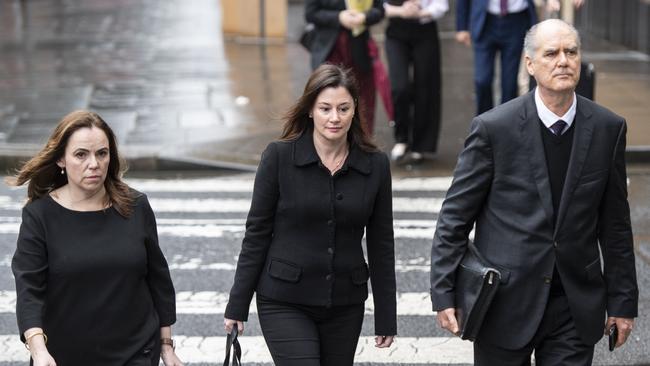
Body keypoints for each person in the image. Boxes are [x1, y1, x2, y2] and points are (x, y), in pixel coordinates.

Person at [430, 19, 638, 365]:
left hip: (574, 304)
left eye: (571, 52)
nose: (563, 61)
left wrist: (622, 302)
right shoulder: (493, 129)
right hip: (503, 301)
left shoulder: (608, 128)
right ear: (530, 63)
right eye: (552, 53)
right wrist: (443, 291)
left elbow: (615, 224)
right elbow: (455, 216)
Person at [224, 64, 397, 366]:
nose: (334, 118)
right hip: (284, 298)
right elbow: (257, 233)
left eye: (343, 108)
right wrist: (237, 304)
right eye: (325, 108)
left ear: (355, 109)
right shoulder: (279, 157)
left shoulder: (375, 165)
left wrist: (386, 316)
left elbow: (382, 244)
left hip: (345, 302)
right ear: (310, 110)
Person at [10, 110, 183, 366]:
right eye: (81, 154)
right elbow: (29, 290)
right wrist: (38, 349)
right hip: (65, 355)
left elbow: (158, 279)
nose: (94, 163)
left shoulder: (135, 206)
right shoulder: (39, 215)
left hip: (136, 352)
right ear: (61, 159)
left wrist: (166, 347)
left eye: (102, 153)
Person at [305, 0, 384, 134]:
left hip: (359, 51)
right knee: (328, 101)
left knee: (363, 103)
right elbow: (311, 13)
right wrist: (339, 17)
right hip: (330, 51)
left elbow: (379, 11)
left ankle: (361, 148)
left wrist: (364, 17)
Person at [384, 0, 448, 161]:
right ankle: (402, 138)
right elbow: (377, 6)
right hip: (396, 31)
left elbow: (441, 6)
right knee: (399, 87)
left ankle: (421, 144)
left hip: (425, 30)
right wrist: (401, 11)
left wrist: (420, 13)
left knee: (426, 87)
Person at [456, 0, 537, 115]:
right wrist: (462, 26)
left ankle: (507, 123)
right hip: (485, 22)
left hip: (516, 21)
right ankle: (485, 122)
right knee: (482, 80)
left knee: (510, 84)